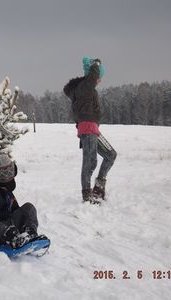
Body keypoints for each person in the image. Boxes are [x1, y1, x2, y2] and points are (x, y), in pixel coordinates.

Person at [63, 56, 117, 204]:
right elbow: (91, 77)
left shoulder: (85, 88)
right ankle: (87, 195)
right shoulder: (84, 87)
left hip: (92, 129)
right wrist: (96, 65)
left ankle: (98, 188)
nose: (100, 80)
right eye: (99, 76)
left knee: (111, 155)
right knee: (90, 162)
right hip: (87, 129)